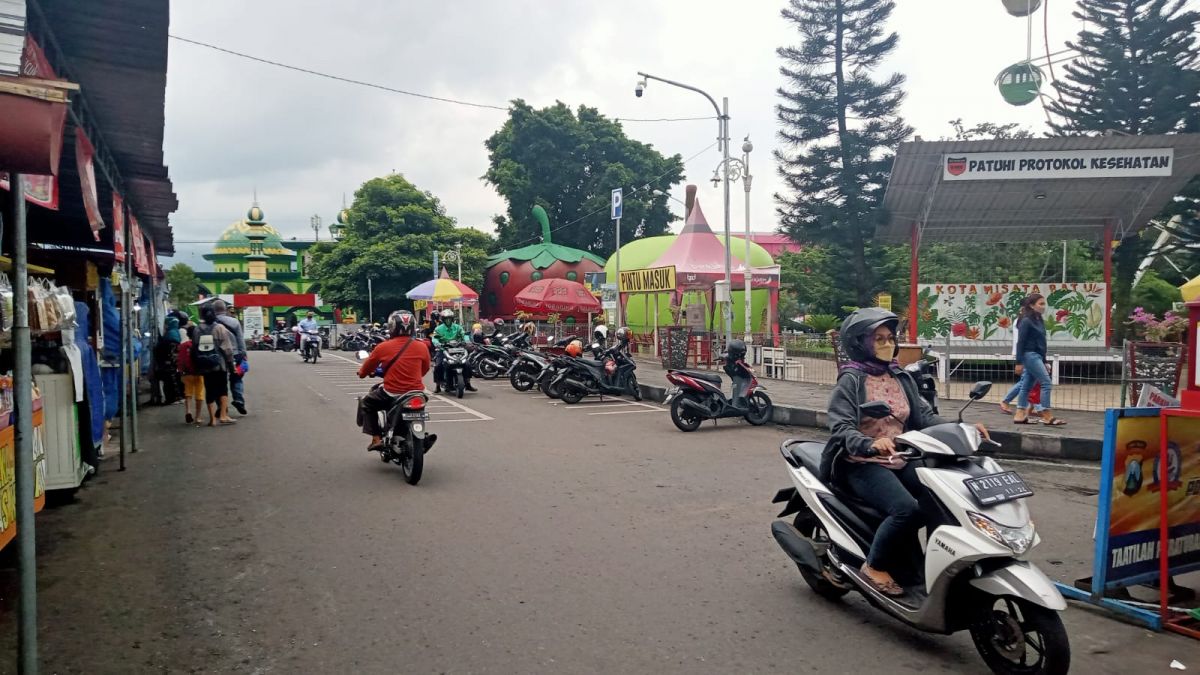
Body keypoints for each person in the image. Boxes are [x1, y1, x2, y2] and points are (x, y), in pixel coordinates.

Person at [823, 308, 990, 597]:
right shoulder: (851, 380)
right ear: (860, 343)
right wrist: (868, 443)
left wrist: (963, 429)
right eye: (879, 339)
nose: (887, 344)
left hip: (902, 458)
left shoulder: (900, 376)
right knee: (906, 509)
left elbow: (924, 418)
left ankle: (928, 561)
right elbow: (840, 426)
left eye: (890, 338)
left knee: (941, 500)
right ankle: (873, 566)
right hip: (862, 462)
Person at [357, 310, 436, 452]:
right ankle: (419, 438)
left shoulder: (382, 347)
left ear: (392, 327)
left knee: (367, 403)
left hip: (392, 392)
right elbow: (424, 370)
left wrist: (362, 373)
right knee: (420, 406)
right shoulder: (422, 346)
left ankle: (376, 438)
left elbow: (364, 371)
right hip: (417, 392)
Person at [1013, 293, 1065, 426]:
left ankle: (1020, 414)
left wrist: (1045, 360)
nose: (1043, 307)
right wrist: (1018, 362)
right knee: (1046, 382)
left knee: (1027, 385)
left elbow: (1042, 342)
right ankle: (1046, 414)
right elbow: (1021, 342)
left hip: (1037, 355)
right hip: (1029, 354)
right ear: (1031, 305)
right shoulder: (1026, 321)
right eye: (1040, 304)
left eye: (1044, 303)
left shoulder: (1039, 320)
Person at [194, 304, 237, 426]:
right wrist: (231, 365)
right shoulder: (220, 328)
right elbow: (227, 349)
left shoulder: (198, 329)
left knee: (209, 390)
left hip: (205, 365)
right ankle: (223, 415)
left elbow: (195, 348)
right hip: (220, 364)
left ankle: (212, 419)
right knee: (223, 389)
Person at [212, 299, 248, 415]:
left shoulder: (211, 323)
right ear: (225, 309)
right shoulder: (234, 322)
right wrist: (243, 354)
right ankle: (238, 400)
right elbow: (240, 339)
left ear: (214, 310)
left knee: (219, 381)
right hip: (236, 354)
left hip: (218, 356)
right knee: (237, 378)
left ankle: (221, 407)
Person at [431, 308, 474, 393]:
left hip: (458, 349)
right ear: (443, 319)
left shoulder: (458, 327)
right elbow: (434, 338)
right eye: (446, 319)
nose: (448, 320)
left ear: (452, 319)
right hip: (444, 349)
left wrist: (467, 341)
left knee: (467, 364)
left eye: (449, 318)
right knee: (438, 366)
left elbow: (464, 335)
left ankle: (468, 383)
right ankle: (438, 385)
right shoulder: (438, 329)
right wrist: (437, 343)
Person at [177, 325, 205, 425]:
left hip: (187, 373)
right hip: (199, 373)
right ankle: (198, 417)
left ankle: (188, 411)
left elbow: (180, 360)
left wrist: (180, 370)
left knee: (188, 393)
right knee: (199, 394)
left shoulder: (183, 345)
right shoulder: (200, 345)